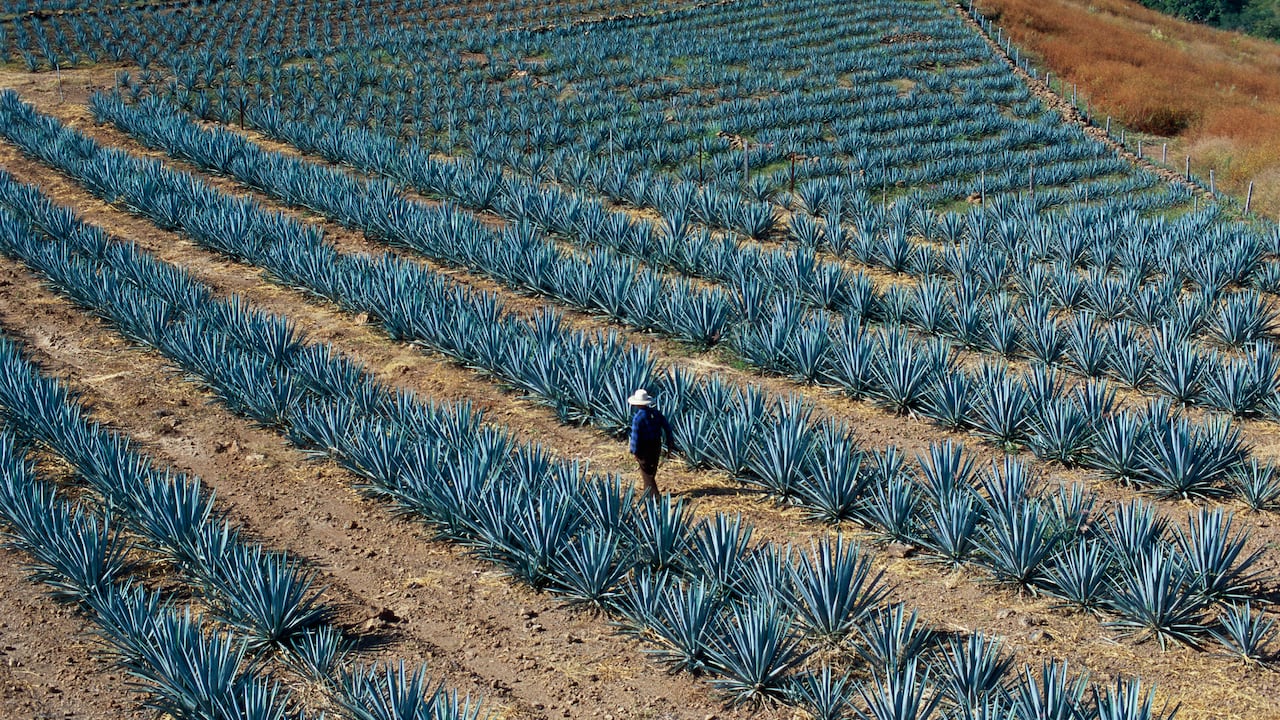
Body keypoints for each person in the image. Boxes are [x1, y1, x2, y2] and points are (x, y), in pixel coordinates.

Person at [628, 388, 674, 498]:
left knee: (647, 473)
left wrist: (634, 451)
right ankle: (648, 493)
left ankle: (654, 497)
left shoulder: (638, 418)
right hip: (656, 445)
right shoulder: (656, 413)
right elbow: (667, 428)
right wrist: (670, 443)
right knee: (652, 469)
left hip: (644, 448)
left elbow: (635, 437)